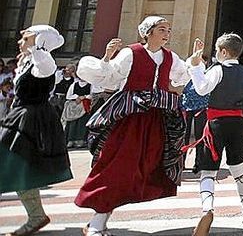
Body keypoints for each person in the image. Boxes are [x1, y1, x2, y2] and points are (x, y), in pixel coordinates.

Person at [74, 16, 204, 236]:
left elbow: (181, 77)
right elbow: (109, 77)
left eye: (168, 30)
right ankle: (96, 222)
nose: (167, 33)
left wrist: (194, 60)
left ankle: (100, 222)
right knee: (117, 164)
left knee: (146, 166)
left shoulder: (170, 57)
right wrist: (106, 57)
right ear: (148, 32)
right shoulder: (131, 53)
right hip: (130, 119)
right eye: (162, 29)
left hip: (156, 120)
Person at [186, 33, 243, 236]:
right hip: (238, 124)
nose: (216, 54)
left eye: (217, 50)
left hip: (216, 123)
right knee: (238, 170)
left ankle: (207, 209)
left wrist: (196, 65)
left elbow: (201, 89)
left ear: (223, 52)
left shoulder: (217, 69)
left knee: (208, 171)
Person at [0, 26, 71, 236]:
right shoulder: (27, 61)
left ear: (39, 41)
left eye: (26, 37)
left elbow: (44, 63)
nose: (21, 40)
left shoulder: (45, 62)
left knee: (17, 165)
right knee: (19, 168)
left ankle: (36, 216)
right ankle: (36, 216)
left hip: (31, 120)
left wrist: (36, 44)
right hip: (20, 116)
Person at [181, 66, 210, 174]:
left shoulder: (204, 75)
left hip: (201, 108)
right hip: (186, 108)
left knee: (200, 136)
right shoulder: (185, 74)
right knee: (184, 136)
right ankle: (181, 162)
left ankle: (199, 163)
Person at [62, 68, 91, 149]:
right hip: (74, 107)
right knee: (72, 123)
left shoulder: (90, 85)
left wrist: (84, 97)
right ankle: (70, 140)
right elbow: (68, 95)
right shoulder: (74, 84)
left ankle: (80, 140)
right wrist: (77, 97)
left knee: (82, 123)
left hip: (84, 107)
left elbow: (92, 94)